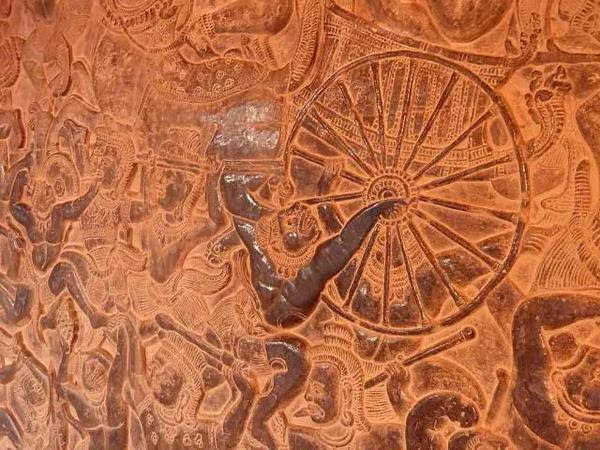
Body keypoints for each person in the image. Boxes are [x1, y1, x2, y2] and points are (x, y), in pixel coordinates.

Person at [512, 294, 600, 448]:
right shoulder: (541, 406)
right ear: (558, 380)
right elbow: (529, 315)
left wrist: (594, 308)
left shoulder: (539, 408)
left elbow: (529, 315)